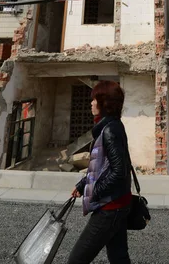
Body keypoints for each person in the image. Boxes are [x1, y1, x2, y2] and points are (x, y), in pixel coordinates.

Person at [68, 80, 132, 264]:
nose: (91, 103)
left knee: (76, 260)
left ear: (104, 103)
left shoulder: (110, 130)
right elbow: (101, 166)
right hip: (118, 203)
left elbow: (119, 171)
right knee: (119, 257)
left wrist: (93, 191)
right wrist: (82, 185)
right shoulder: (110, 126)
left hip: (110, 207)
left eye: (94, 99)